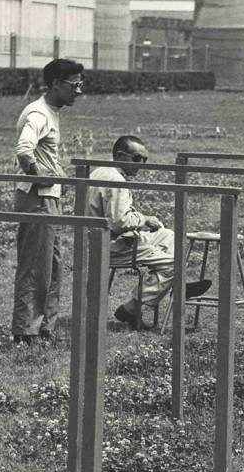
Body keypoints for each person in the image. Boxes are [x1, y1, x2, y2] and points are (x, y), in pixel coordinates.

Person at [87, 135, 211, 330]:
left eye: (144, 160)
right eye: (137, 159)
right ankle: (132, 308)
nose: (141, 165)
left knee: (169, 236)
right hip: (112, 244)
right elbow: (119, 222)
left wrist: (142, 219)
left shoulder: (99, 172)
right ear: (120, 156)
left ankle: (175, 284)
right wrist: (144, 219)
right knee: (176, 261)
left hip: (96, 238)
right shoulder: (116, 180)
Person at [11, 58, 83, 345]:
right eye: (74, 85)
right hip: (36, 198)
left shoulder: (51, 111)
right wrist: (39, 176)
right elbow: (24, 149)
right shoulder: (38, 113)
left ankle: (44, 326)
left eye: (81, 84)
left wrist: (57, 176)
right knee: (34, 266)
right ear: (55, 85)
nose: (79, 91)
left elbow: (43, 155)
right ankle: (24, 329)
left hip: (48, 198)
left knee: (52, 265)